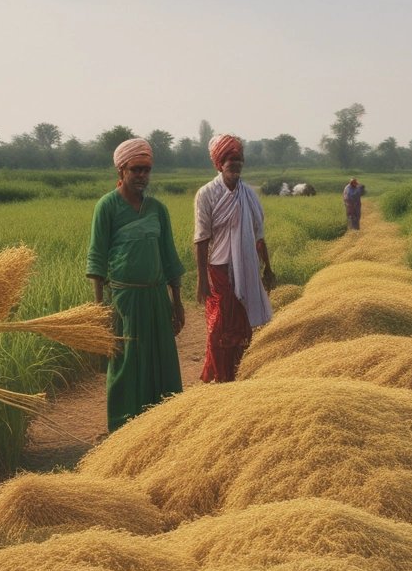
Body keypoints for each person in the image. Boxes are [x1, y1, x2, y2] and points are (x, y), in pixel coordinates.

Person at [87, 137, 185, 431]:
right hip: (124, 302)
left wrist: (176, 301)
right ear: (121, 171)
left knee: (161, 360)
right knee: (125, 364)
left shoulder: (158, 209)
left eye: (146, 170)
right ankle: (123, 428)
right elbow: (97, 259)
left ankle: (163, 424)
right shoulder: (107, 207)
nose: (142, 176)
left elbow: (169, 257)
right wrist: (99, 308)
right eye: (136, 170)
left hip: (156, 298)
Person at [194, 135, 276, 382]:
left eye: (238, 159)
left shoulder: (249, 195)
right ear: (219, 164)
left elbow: (259, 235)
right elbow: (201, 239)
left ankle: (239, 372)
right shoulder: (207, 194)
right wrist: (202, 279)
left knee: (242, 324)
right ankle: (220, 376)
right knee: (220, 325)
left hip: (247, 265)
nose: (235, 163)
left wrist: (268, 269)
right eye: (230, 159)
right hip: (219, 268)